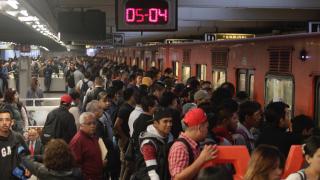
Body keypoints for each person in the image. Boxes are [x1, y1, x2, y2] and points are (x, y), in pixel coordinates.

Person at [168, 108, 218, 180]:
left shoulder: (193, 144)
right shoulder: (180, 147)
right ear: (199, 128)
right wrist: (202, 159)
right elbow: (177, 177)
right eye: (207, 127)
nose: (207, 131)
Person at [132, 107, 173, 180]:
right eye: (165, 121)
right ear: (156, 123)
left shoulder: (169, 136)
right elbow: (152, 172)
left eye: (170, 121)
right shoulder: (148, 144)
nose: (169, 124)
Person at [69, 112, 104, 180]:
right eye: (89, 123)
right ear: (81, 125)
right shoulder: (77, 141)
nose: (92, 126)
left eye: (94, 123)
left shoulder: (92, 136)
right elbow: (75, 166)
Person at [0, 107, 29, 180]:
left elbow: (27, 155)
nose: (4, 123)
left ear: (12, 122)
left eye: (7, 120)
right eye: (0, 120)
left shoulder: (18, 137)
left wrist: (28, 167)